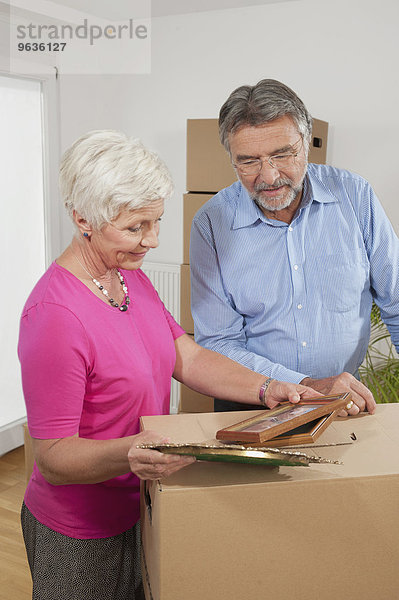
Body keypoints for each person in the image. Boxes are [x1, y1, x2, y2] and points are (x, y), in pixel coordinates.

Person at [18, 130, 320, 600]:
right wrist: (129, 451)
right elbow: (53, 457)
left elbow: (185, 354)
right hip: (78, 531)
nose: (152, 241)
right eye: (136, 227)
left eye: (156, 222)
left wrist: (268, 387)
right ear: (83, 219)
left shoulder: (126, 276)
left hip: (144, 503)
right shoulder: (54, 316)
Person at [190, 78, 399, 415]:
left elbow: (397, 299)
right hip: (250, 402)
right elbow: (217, 343)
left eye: (282, 154)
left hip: (343, 399)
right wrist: (304, 385)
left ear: (306, 142)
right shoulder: (211, 224)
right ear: (231, 158)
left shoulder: (355, 196)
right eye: (248, 161)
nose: (269, 176)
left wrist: (325, 390)